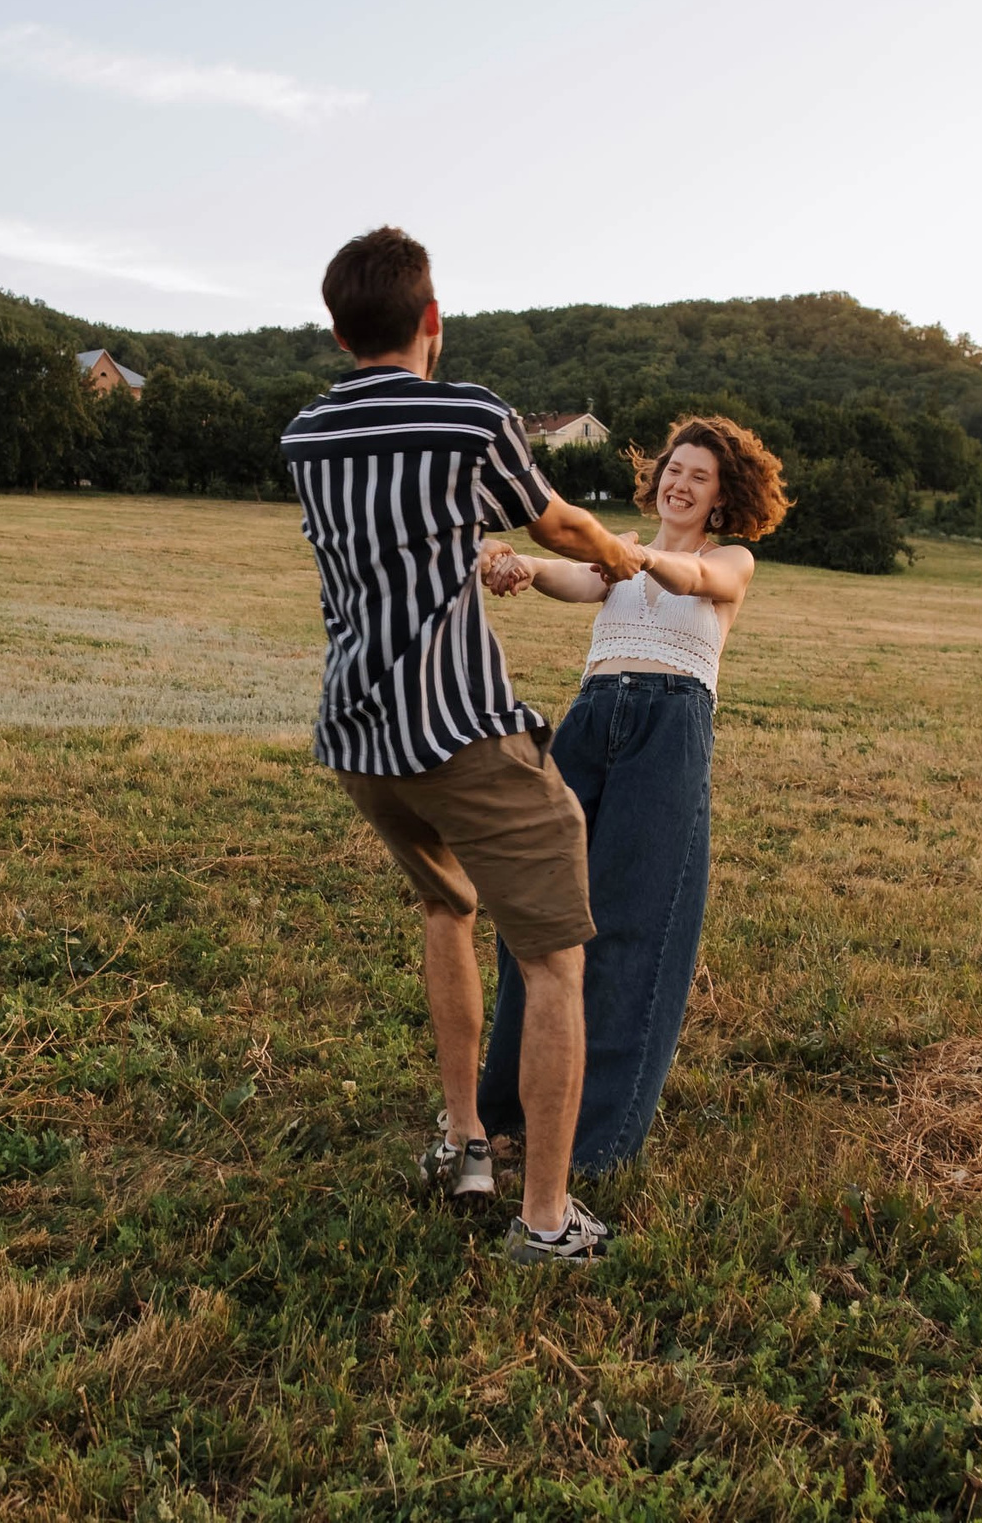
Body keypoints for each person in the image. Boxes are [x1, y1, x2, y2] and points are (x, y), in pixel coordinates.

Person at [282, 226, 650, 1264]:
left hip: (360, 737)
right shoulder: (469, 414)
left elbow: (408, 543)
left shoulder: (306, 437)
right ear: (429, 320)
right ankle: (544, 1221)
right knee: (555, 962)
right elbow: (561, 527)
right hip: (460, 733)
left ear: (339, 328)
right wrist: (622, 554)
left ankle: (462, 1145)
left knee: (446, 905)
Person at [472, 416, 788, 1173]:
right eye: (673, 468)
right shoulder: (619, 553)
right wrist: (520, 566)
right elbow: (575, 577)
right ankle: (507, 1116)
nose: (679, 482)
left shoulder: (731, 559)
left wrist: (633, 554)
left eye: (699, 476)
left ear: (721, 497)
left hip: (670, 731)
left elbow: (696, 580)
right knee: (541, 912)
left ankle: (594, 1144)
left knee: (633, 927)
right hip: (592, 719)